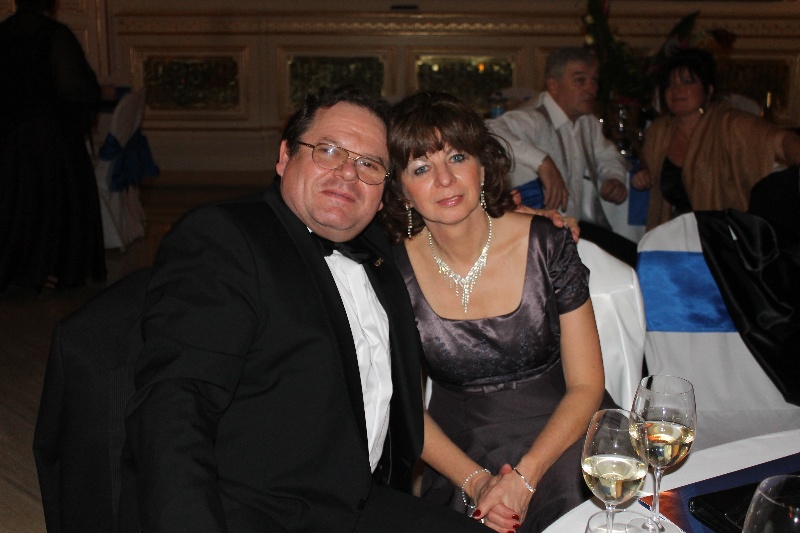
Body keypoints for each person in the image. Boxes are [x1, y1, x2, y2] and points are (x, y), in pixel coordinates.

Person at [121, 86, 491, 533]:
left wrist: (533, 221)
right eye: (328, 150)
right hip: (252, 514)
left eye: (369, 164)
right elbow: (175, 405)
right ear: (284, 157)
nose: (348, 173)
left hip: (363, 503)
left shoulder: (379, 249)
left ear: (384, 191)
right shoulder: (226, 239)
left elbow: (454, 228)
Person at [381, 91, 616, 532]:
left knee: (570, 505)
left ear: (483, 168)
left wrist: (524, 479)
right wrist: (477, 482)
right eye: (421, 168)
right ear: (402, 192)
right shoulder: (392, 271)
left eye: (457, 157)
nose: (445, 179)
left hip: (564, 431)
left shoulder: (547, 244)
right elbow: (403, 404)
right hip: (461, 449)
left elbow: (587, 385)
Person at [487, 47, 636, 266]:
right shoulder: (533, 117)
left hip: (573, 228)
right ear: (553, 85)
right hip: (536, 236)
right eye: (580, 80)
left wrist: (613, 177)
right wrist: (542, 162)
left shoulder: (587, 122)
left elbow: (608, 155)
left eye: (594, 81)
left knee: (635, 258)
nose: (591, 89)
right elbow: (489, 131)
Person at [632, 48, 800, 230]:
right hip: (676, 233)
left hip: (727, 236)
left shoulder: (730, 124)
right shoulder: (660, 132)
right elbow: (647, 163)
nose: (676, 90)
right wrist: (644, 175)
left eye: (687, 82)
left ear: (709, 90)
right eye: (670, 84)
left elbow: (781, 141)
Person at [0, 0, 105, 290]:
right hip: (48, 142)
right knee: (54, 205)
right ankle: (51, 269)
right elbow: (76, 88)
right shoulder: (54, 35)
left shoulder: (3, 34)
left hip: (6, 142)